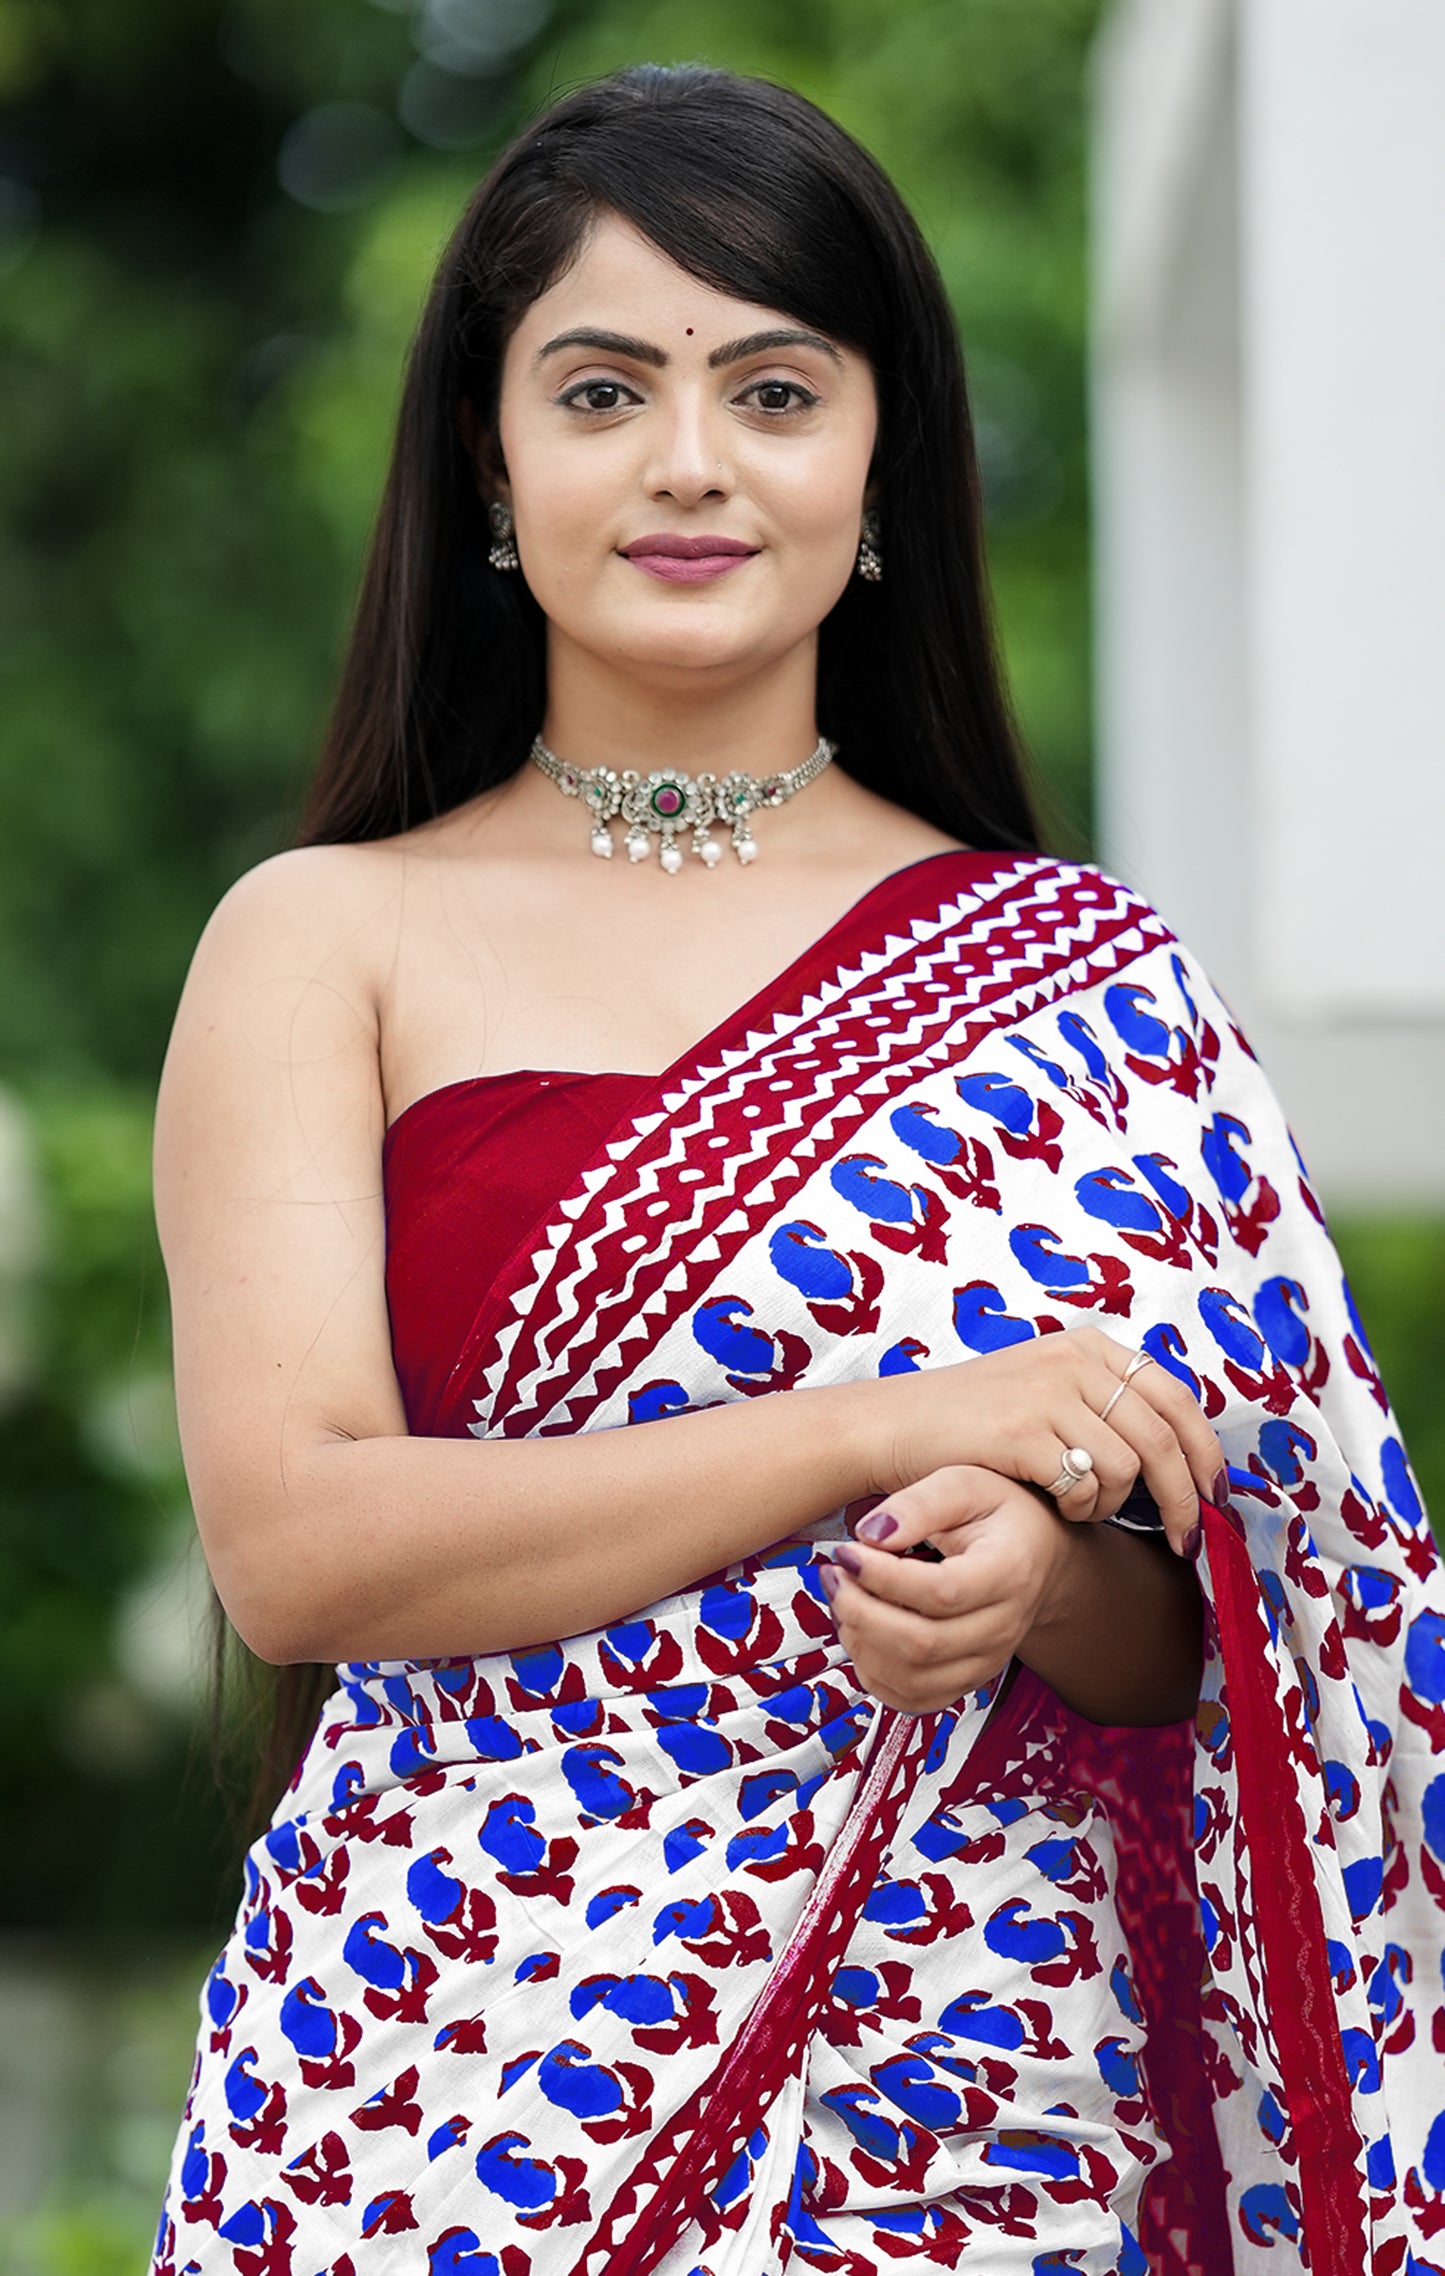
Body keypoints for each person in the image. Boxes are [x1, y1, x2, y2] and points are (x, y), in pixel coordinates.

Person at [149, 64, 1445, 2276]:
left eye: (773, 388)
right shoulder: (325, 939)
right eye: (601, 389)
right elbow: (300, 1548)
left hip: (987, 2121)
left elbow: (1274, 1628)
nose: (687, 463)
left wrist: (1047, 1581)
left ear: (880, 459)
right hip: (447, 2093)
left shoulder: (1087, 985)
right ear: (490, 453)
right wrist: (865, 1427)